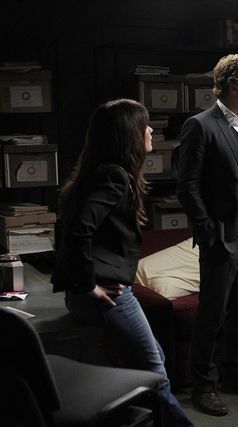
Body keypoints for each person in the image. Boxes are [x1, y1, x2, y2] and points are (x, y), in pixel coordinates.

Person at [51, 99, 193, 427]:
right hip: (109, 295)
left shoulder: (100, 173)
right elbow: (78, 230)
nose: (150, 131)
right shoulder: (114, 177)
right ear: (127, 134)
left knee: (154, 358)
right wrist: (89, 284)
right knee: (155, 374)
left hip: (92, 294)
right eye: (144, 125)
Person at [177, 53, 238, 417]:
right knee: (212, 314)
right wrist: (208, 231)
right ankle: (203, 386)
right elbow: (187, 186)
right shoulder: (201, 126)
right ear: (233, 85)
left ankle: (236, 375)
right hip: (221, 237)